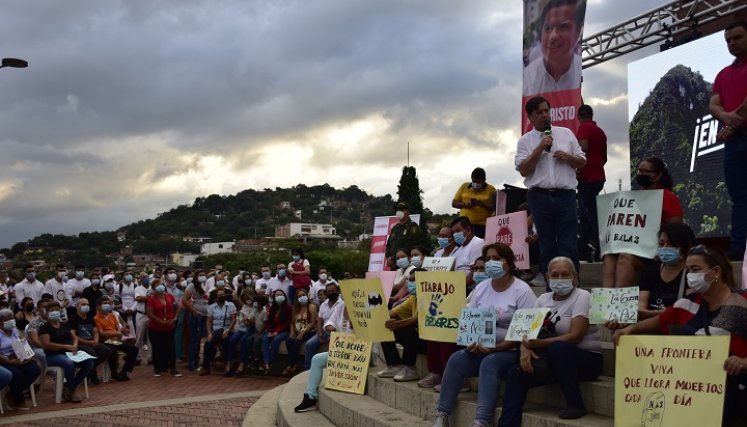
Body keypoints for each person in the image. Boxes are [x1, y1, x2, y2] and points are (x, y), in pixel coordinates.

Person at [613, 245, 747, 424]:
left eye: (696, 269)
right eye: (688, 270)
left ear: (715, 272)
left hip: (733, 387)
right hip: (692, 392)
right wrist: (630, 329)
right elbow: (660, 321)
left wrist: (743, 362)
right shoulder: (686, 304)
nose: (691, 275)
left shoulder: (741, 303)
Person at [432, 244, 537, 427]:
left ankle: (482, 420)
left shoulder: (522, 291)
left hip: (510, 350)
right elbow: (470, 322)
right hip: (482, 348)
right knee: (456, 359)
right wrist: (471, 342)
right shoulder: (480, 289)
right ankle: (442, 414)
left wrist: (497, 347)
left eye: (496, 259)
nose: (490, 263)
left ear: (509, 263)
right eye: (488, 259)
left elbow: (525, 331)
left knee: (490, 362)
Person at [496, 256, 602, 426]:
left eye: (565, 274)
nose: (560, 279)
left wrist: (537, 344)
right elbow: (525, 332)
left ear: (574, 277)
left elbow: (575, 336)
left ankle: (576, 403)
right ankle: (507, 423)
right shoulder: (542, 299)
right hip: (552, 360)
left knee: (559, 348)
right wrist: (525, 350)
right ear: (547, 278)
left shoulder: (583, 296)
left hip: (586, 359)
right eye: (555, 275)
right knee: (516, 372)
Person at [515, 96, 586, 275]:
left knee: (568, 244)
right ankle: (551, 290)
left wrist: (568, 157)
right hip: (539, 197)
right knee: (546, 244)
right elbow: (524, 170)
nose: (545, 115)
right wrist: (539, 148)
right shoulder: (525, 141)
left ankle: (573, 288)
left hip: (566, 196)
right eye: (539, 112)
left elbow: (582, 161)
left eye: (547, 110)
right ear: (530, 117)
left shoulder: (566, 133)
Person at [603, 156, 683, 288]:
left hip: (655, 253)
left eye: (645, 172)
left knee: (625, 257)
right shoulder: (637, 196)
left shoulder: (668, 197)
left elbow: (677, 230)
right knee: (609, 256)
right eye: (639, 171)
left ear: (657, 176)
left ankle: (619, 304)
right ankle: (607, 302)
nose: (641, 174)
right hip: (637, 248)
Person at [710, 21, 747, 260]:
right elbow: (713, 104)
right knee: (740, 197)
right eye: (728, 40)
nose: (732, 43)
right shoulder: (723, 73)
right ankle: (738, 248)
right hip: (734, 142)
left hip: (737, 134)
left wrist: (732, 123)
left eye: (737, 37)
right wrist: (725, 116)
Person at [294, 297, 351, 413]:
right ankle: (310, 397)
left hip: (361, 354)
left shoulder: (365, 309)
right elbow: (329, 322)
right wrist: (330, 327)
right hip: (341, 351)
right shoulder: (340, 307)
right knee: (316, 359)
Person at [522, 0, 585, 96]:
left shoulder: (579, 70)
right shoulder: (529, 76)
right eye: (547, 28)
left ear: (577, 32)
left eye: (563, 27)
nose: (553, 36)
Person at [637, 223, 696, 320]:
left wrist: (650, 314)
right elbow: (641, 309)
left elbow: (685, 310)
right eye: (661, 244)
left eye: (671, 244)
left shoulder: (692, 275)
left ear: (685, 247)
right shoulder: (651, 272)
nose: (664, 248)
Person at [39, 301, 94, 403]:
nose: (55, 312)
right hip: (53, 355)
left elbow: (74, 338)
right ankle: (72, 391)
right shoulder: (44, 328)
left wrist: (74, 346)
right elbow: (46, 344)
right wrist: (65, 346)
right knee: (69, 363)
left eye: (57, 310)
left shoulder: (65, 325)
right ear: (47, 313)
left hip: (69, 352)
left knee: (89, 362)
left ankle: (69, 387)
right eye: (52, 310)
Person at [377, 268, 422, 382]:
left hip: (428, 341)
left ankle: (410, 368)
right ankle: (394, 365)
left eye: (414, 280)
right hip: (418, 338)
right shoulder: (413, 298)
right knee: (384, 325)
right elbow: (391, 313)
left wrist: (398, 324)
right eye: (410, 280)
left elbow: (419, 318)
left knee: (408, 329)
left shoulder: (431, 297)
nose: (411, 283)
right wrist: (370, 318)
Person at [575, 104, 607, 262]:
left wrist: (578, 169)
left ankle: (601, 250)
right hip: (599, 176)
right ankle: (583, 252)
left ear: (579, 116)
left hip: (587, 178)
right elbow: (605, 157)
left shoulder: (583, 129)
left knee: (591, 216)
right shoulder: (600, 132)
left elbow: (584, 148)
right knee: (586, 216)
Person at [0, 308, 40, 410]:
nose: (11, 321)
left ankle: (12, 394)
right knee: (17, 374)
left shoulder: (16, 330)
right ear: (1, 322)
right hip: (5, 360)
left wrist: (28, 357)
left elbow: (23, 343)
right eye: (7, 319)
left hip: (20, 356)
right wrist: (9, 361)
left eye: (12, 318)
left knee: (34, 369)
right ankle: (18, 401)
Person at [68, 298, 112, 385]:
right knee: (92, 353)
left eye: (87, 304)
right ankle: (93, 375)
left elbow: (95, 332)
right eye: (83, 304)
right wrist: (87, 342)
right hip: (80, 344)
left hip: (92, 342)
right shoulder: (73, 319)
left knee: (106, 350)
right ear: (77, 306)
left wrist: (95, 340)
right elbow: (73, 336)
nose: (86, 306)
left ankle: (88, 370)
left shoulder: (90, 318)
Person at [94, 296, 139, 381]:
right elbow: (102, 333)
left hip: (114, 340)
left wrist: (120, 332)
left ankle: (124, 372)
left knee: (134, 349)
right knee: (113, 351)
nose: (107, 305)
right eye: (105, 304)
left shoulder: (112, 316)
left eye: (108, 303)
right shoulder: (96, 319)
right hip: (104, 341)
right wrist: (117, 333)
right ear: (98, 307)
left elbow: (118, 327)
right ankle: (114, 374)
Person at [304, 282, 342, 370]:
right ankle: (308, 369)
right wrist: (320, 333)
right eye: (328, 291)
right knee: (309, 345)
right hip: (324, 331)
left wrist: (332, 336)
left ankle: (330, 370)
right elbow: (320, 320)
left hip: (337, 333)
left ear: (337, 291)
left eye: (333, 291)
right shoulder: (323, 305)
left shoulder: (342, 304)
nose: (331, 293)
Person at [199, 287, 237, 375]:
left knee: (227, 341)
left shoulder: (230, 305)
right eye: (220, 295)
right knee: (208, 343)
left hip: (228, 330)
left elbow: (233, 319)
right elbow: (208, 321)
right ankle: (206, 367)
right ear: (215, 298)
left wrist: (228, 329)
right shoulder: (212, 307)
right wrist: (209, 333)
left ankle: (228, 365)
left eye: (223, 294)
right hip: (216, 331)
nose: (222, 296)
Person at [452, 168, 497, 239]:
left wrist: (482, 204)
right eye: (474, 181)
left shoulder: (491, 189)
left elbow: (496, 208)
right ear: (471, 178)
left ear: (484, 180)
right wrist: (465, 205)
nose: (476, 184)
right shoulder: (464, 186)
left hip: (481, 227)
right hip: (463, 226)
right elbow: (454, 203)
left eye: (478, 182)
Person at [284, 288, 317, 375]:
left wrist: (303, 332)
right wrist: (292, 332)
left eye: (303, 295)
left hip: (309, 332)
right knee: (288, 341)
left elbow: (313, 322)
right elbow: (292, 323)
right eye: (300, 296)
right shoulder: (295, 309)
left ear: (307, 296)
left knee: (296, 343)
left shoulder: (311, 307)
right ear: (297, 299)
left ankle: (290, 365)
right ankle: (295, 364)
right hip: (298, 332)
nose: (302, 297)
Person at [182, 269, 208, 371]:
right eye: (200, 275)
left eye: (203, 274)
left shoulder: (204, 285)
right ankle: (192, 362)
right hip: (196, 316)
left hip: (204, 315)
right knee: (194, 339)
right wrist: (193, 311)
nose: (202, 276)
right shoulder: (192, 286)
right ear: (196, 276)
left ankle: (196, 360)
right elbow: (184, 299)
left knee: (199, 339)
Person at [224, 289, 255, 376]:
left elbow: (256, 319)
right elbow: (241, 319)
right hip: (242, 328)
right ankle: (229, 362)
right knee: (232, 340)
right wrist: (245, 320)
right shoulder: (244, 306)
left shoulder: (257, 306)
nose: (247, 300)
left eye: (249, 298)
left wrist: (250, 321)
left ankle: (242, 364)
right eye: (245, 298)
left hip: (251, 329)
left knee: (244, 341)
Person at [261, 289, 292, 374]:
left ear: (284, 296)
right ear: (274, 298)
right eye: (277, 295)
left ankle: (268, 362)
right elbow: (270, 322)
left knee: (276, 340)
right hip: (274, 330)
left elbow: (288, 323)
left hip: (284, 331)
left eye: (280, 295)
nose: (279, 297)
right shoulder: (272, 308)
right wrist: (270, 331)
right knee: (265, 338)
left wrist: (277, 332)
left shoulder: (289, 308)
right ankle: (267, 363)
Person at [240, 295, 268, 373]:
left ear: (261, 303)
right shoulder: (255, 311)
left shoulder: (264, 312)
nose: (255, 303)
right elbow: (252, 320)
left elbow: (265, 324)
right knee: (249, 339)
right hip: (256, 330)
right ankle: (250, 356)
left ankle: (257, 359)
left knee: (256, 340)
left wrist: (259, 333)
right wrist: (247, 321)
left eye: (257, 302)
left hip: (262, 331)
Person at [134, 273, 151, 365]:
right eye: (143, 277)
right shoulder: (138, 288)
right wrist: (149, 297)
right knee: (139, 337)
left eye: (146, 277)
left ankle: (150, 357)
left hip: (151, 315)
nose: (145, 279)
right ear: (140, 279)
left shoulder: (152, 288)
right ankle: (137, 357)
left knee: (151, 338)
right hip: (141, 314)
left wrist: (148, 298)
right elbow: (138, 298)